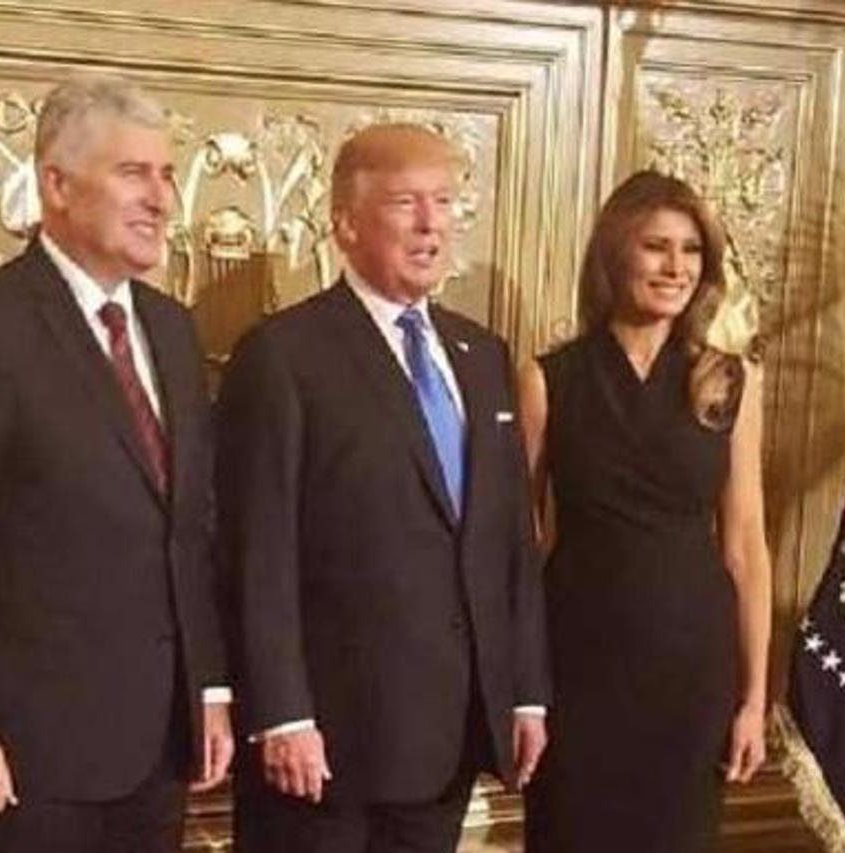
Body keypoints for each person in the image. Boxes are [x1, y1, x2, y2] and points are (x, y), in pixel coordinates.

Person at [0, 74, 233, 853]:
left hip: (159, 747)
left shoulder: (172, 330)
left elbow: (190, 532)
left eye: (167, 174)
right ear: (57, 184)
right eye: (133, 173)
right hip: (26, 756)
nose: (162, 199)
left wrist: (207, 685)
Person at [214, 123, 549, 853]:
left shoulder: (483, 355)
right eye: (405, 202)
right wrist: (283, 713)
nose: (432, 224)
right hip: (325, 749)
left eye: (444, 201)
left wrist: (524, 692)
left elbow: (510, 544)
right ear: (345, 224)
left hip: (446, 738)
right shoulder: (282, 355)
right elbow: (256, 554)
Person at [519, 170, 772, 853]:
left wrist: (753, 700)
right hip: (576, 664)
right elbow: (520, 545)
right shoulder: (549, 379)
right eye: (656, 246)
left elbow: (746, 546)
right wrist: (520, 688)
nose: (676, 267)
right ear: (614, 254)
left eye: (691, 251)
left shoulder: (730, 381)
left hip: (690, 671)